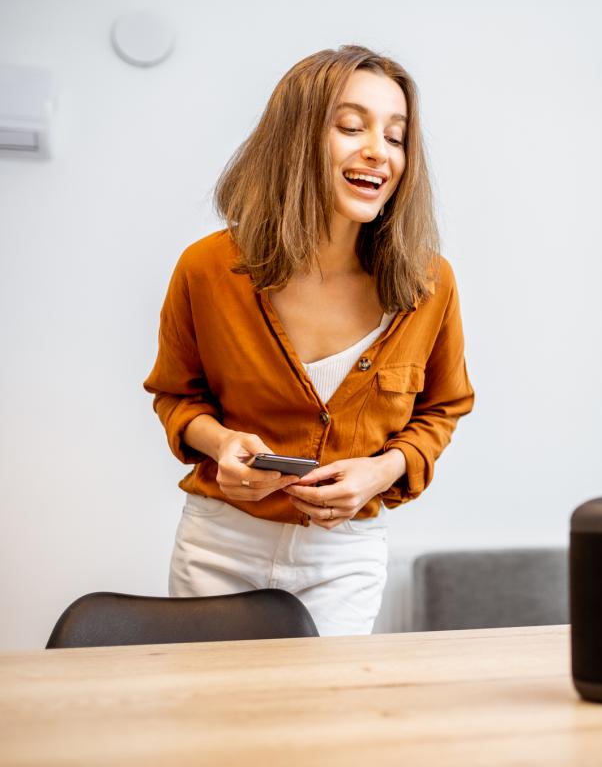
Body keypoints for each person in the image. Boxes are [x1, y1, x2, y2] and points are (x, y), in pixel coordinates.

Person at [143, 45, 474, 636]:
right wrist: (221, 444)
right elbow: (177, 397)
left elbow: (442, 410)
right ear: (295, 139)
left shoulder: (429, 282)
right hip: (220, 544)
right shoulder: (206, 268)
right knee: (213, 698)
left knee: (327, 699)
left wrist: (382, 472)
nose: (378, 151)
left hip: (343, 555)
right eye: (351, 127)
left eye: (395, 137)